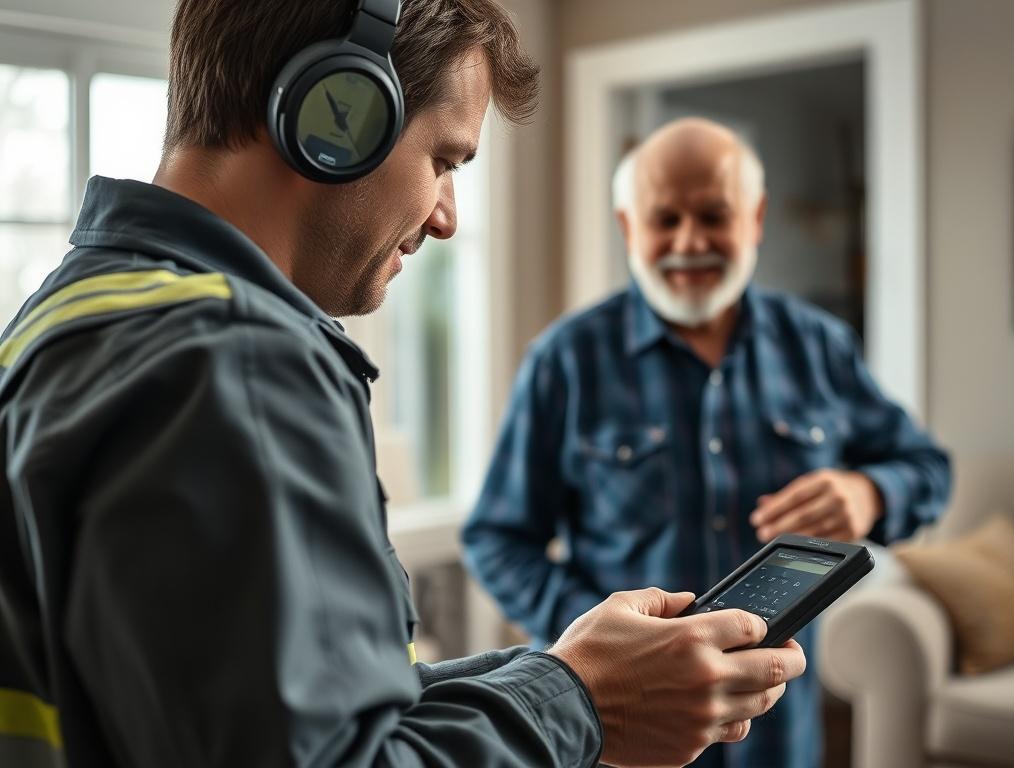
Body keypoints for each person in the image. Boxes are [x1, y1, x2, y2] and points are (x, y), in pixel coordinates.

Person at [0, 4, 808, 767]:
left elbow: (272, 720)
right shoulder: (235, 361)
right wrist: (587, 705)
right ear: (338, 114)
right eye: (444, 160)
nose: (448, 215)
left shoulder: (73, 310)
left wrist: (566, 674)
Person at [462, 117, 952, 768]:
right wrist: (603, 641)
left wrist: (869, 493)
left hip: (779, 737)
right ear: (628, 227)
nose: (689, 241)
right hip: (621, 734)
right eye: (665, 219)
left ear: (755, 218)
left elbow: (927, 468)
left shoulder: (819, 346)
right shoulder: (566, 360)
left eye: (713, 215)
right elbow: (497, 537)